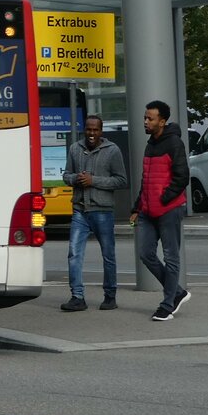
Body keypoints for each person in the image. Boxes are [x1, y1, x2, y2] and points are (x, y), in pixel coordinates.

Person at [60, 115, 128, 312]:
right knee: (74, 253)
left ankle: (110, 296)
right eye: (88, 129)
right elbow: (66, 175)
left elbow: (121, 180)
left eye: (95, 130)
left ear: (101, 131)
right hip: (80, 210)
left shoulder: (112, 150)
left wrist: (93, 180)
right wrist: (76, 179)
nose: (91, 133)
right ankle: (77, 297)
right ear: (84, 130)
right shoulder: (75, 148)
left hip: (103, 211)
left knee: (108, 255)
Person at [130, 100, 191, 322]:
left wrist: (163, 198)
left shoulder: (174, 143)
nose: (145, 121)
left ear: (162, 122)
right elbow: (146, 179)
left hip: (169, 210)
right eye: (145, 117)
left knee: (171, 257)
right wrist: (137, 207)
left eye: (150, 118)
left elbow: (182, 177)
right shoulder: (150, 144)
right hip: (147, 211)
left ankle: (167, 305)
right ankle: (177, 292)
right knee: (145, 254)